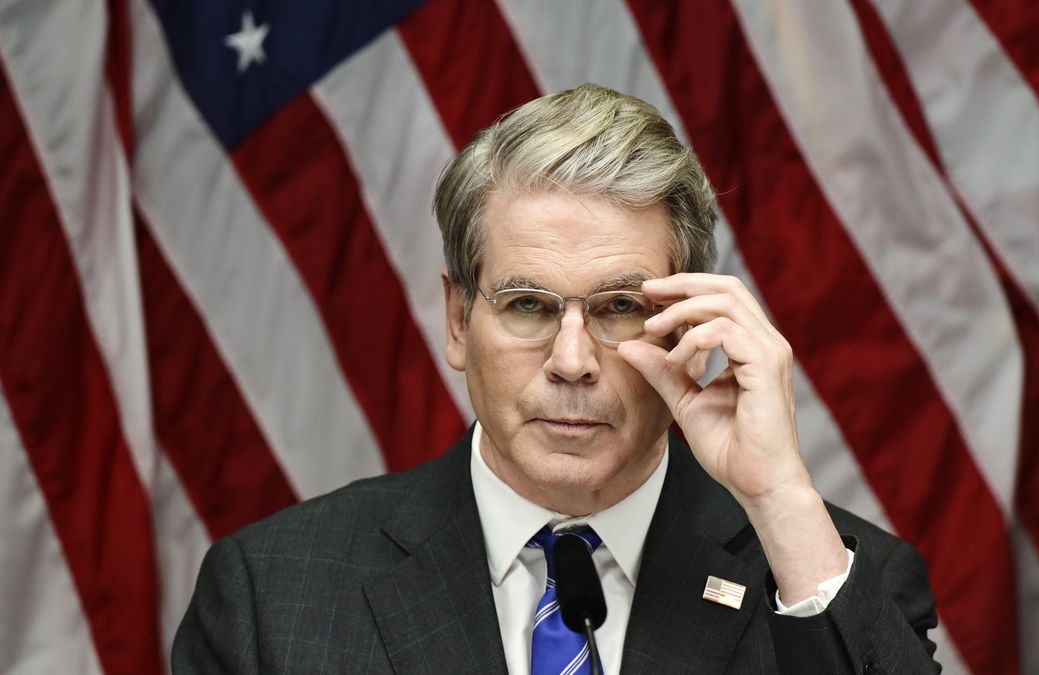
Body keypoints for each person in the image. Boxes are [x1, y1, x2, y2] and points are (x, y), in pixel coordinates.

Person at [173, 84, 939, 674]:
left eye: (620, 307)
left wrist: (778, 499)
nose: (573, 360)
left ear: (688, 329)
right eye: (529, 305)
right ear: (457, 320)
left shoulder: (828, 577)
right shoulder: (272, 595)